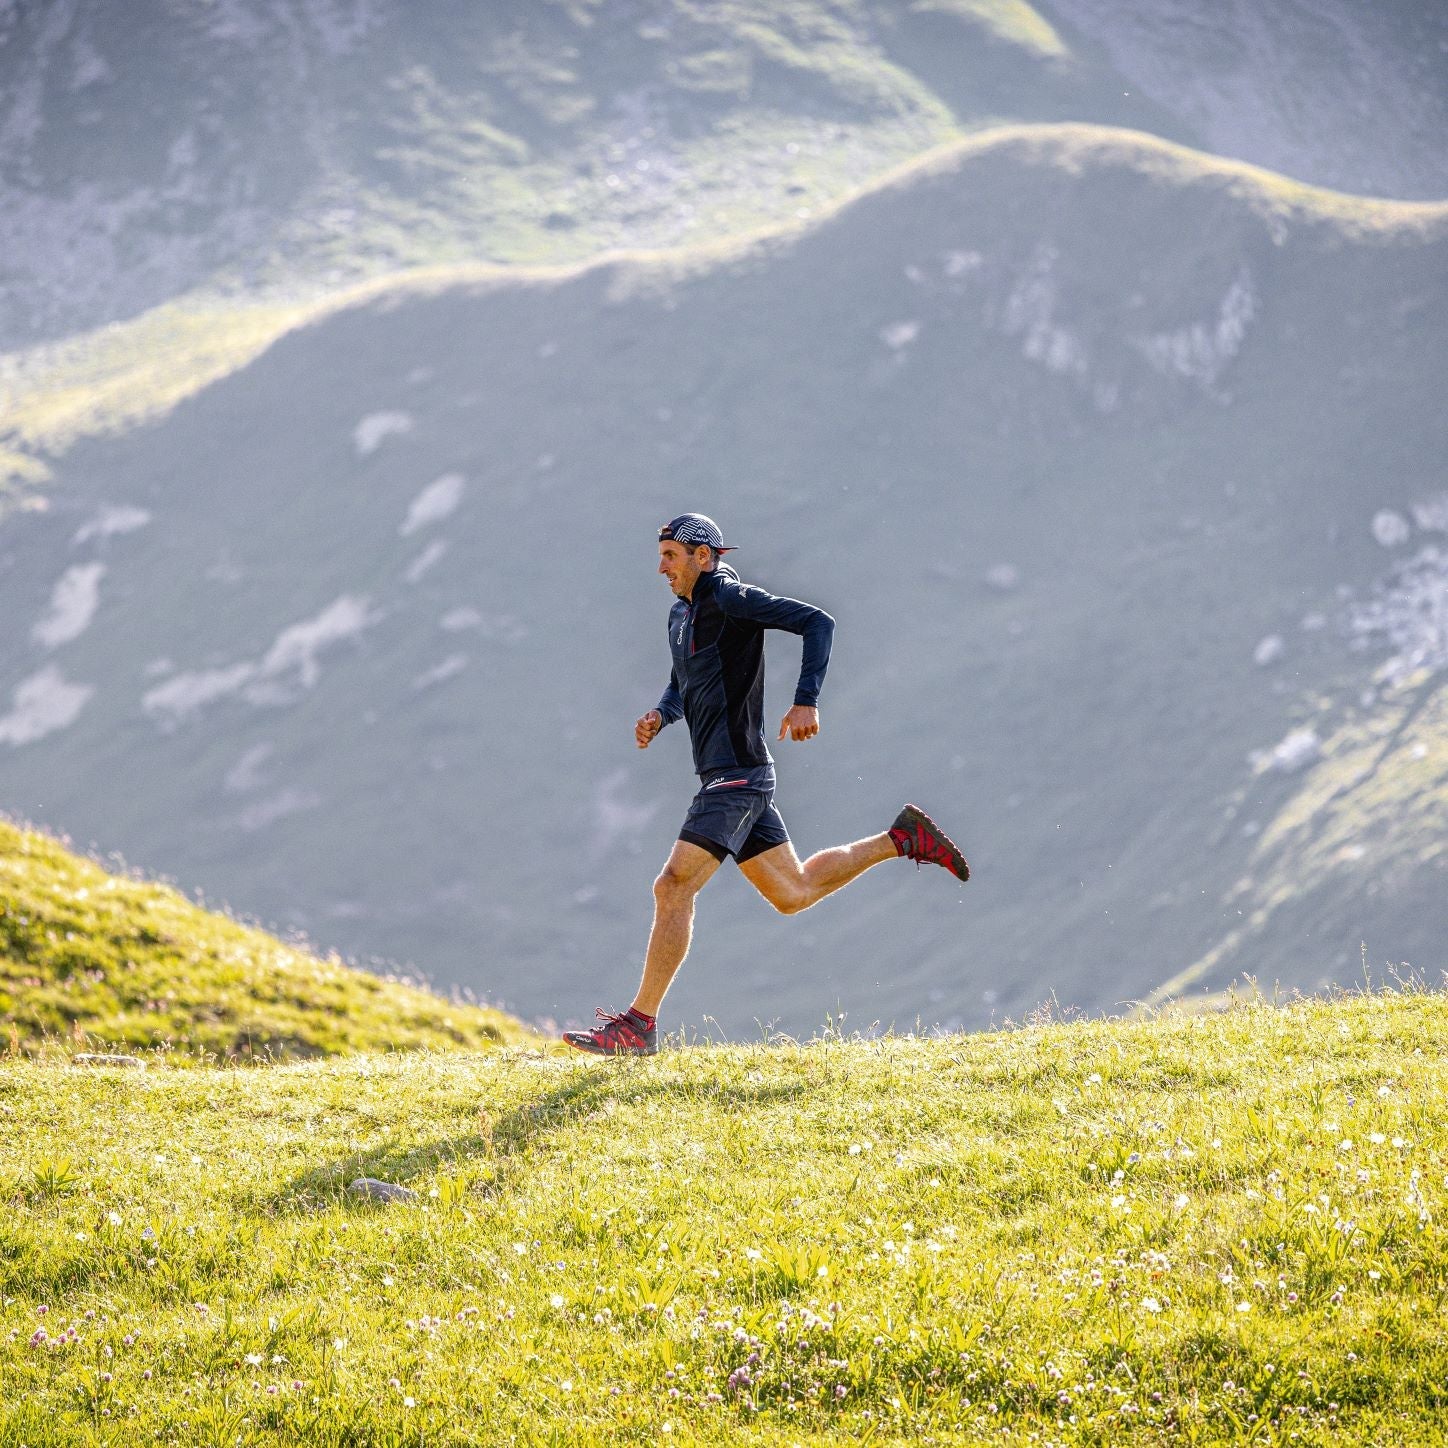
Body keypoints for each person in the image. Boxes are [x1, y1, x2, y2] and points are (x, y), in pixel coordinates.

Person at [563, 513, 969, 1056]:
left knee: (673, 886)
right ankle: (900, 838)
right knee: (793, 892)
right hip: (734, 777)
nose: (661, 568)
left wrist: (806, 700)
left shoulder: (731, 599)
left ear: (703, 557)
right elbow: (683, 681)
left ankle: (638, 1027)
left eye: (670, 556)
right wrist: (661, 715)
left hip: (736, 777)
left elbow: (818, 621)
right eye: (660, 556)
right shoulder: (680, 615)